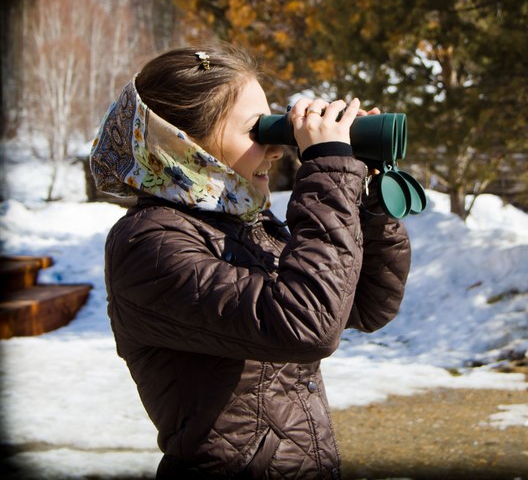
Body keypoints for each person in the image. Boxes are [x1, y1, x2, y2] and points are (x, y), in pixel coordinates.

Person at [89, 42, 411, 479]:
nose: (278, 150)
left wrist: (366, 198)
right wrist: (328, 169)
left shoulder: (243, 225)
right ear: (183, 143)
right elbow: (307, 327)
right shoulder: (148, 243)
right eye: (259, 132)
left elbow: (366, 305)